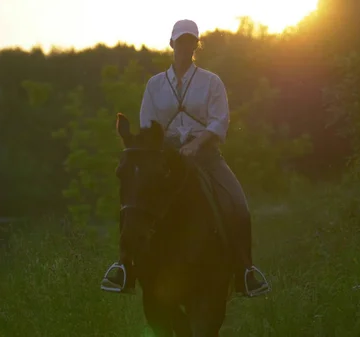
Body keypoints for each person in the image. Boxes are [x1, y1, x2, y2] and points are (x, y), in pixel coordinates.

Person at [103, 19, 270, 298]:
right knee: (133, 202)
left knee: (238, 204)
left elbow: (219, 121)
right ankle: (124, 267)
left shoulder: (211, 82)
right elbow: (147, 123)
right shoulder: (155, 85)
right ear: (171, 44)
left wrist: (197, 144)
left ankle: (245, 270)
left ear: (196, 45)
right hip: (165, 159)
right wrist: (161, 149)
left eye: (190, 41)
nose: (185, 46)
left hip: (205, 155)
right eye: (180, 41)